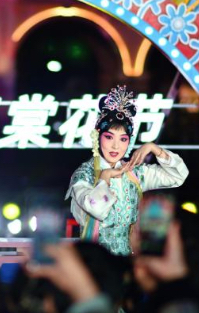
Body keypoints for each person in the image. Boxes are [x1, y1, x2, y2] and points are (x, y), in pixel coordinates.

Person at [66, 86, 189, 255]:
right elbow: (96, 209)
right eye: (109, 137)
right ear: (98, 136)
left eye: (123, 139)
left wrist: (153, 148)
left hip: (130, 260)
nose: (116, 146)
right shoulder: (84, 174)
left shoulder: (133, 172)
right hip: (96, 261)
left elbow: (178, 176)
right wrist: (105, 177)